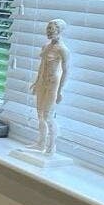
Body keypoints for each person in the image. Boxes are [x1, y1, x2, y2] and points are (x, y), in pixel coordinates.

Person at [30, 18, 69, 156]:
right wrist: (36, 82)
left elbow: (65, 71)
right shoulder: (45, 47)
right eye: (47, 29)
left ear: (59, 31)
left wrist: (60, 91)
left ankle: (51, 146)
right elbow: (42, 67)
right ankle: (41, 142)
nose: (48, 31)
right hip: (42, 82)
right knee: (40, 113)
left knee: (48, 115)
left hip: (53, 84)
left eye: (51, 29)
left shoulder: (62, 50)